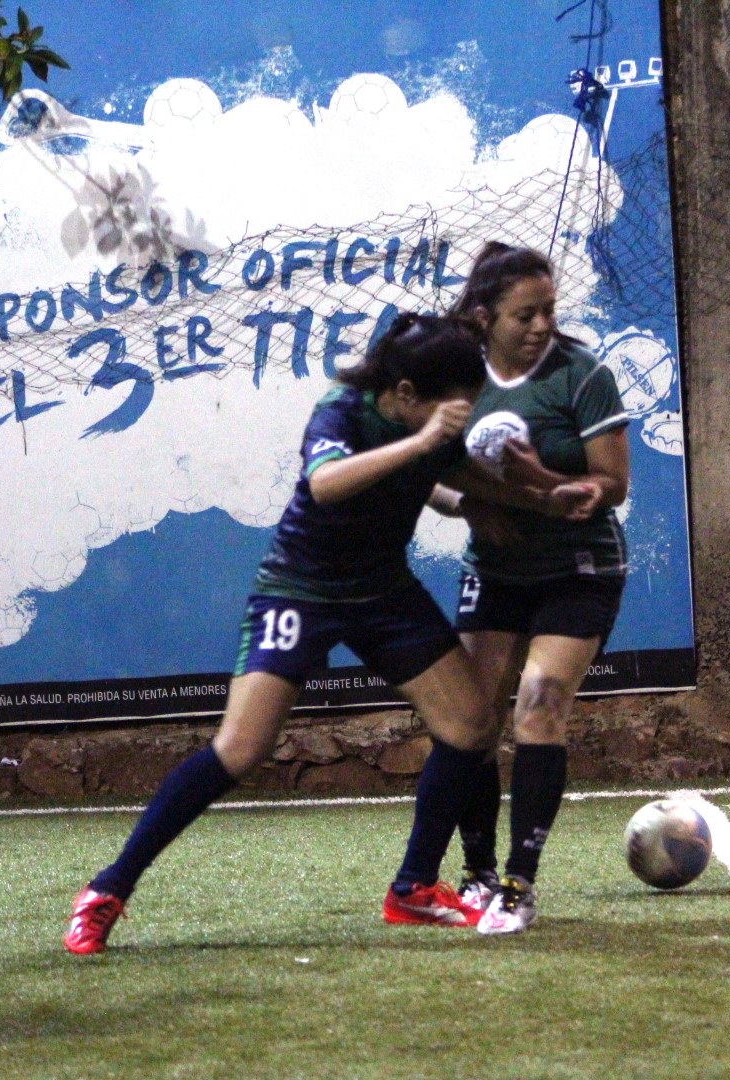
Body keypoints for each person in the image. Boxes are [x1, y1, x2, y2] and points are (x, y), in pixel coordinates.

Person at [65, 313, 592, 953]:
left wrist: (541, 498)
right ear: (404, 392)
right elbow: (326, 484)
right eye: (451, 408)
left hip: (383, 592)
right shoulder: (341, 411)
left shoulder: (429, 426)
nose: (461, 418)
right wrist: (425, 442)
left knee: (471, 725)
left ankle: (413, 887)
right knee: (241, 748)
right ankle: (108, 890)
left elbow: (455, 478)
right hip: (299, 590)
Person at [445, 243, 631, 935]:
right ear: (484, 316)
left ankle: (519, 885)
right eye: (525, 314)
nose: (541, 325)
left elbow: (612, 484)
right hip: (494, 570)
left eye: (549, 310)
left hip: (578, 567)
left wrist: (557, 488)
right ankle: (477, 872)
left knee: (540, 706)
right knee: (470, 720)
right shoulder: (455, 378)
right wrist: (475, 506)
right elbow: (431, 476)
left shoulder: (582, 376)